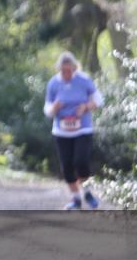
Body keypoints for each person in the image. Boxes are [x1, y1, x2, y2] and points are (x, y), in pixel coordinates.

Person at [43, 51, 104, 210]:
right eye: (63, 71)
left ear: (74, 68)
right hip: (61, 131)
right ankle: (76, 199)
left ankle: (88, 193)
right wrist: (54, 108)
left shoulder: (83, 80)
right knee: (67, 168)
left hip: (82, 129)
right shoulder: (53, 83)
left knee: (81, 162)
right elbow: (47, 110)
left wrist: (86, 107)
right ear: (59, 69)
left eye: (69, 70)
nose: (67, 74)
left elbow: (99, 99)